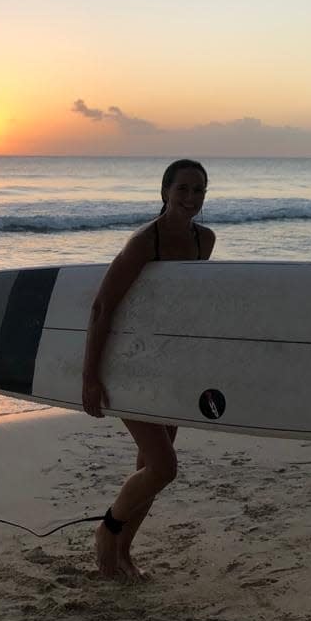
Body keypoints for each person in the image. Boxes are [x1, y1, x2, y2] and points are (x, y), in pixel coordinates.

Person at [82, 159, 215, 581]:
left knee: (150, 470)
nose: (191, 198)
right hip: (130, 361)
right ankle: (107, 532)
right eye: (183, 189)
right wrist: (90, 375)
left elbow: (185, 304)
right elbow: (103, 306)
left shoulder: (204, 240)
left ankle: (122, 555)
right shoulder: (144, 242)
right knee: (164, 467)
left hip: (170, 364)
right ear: (164, 191)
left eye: (199, 190)